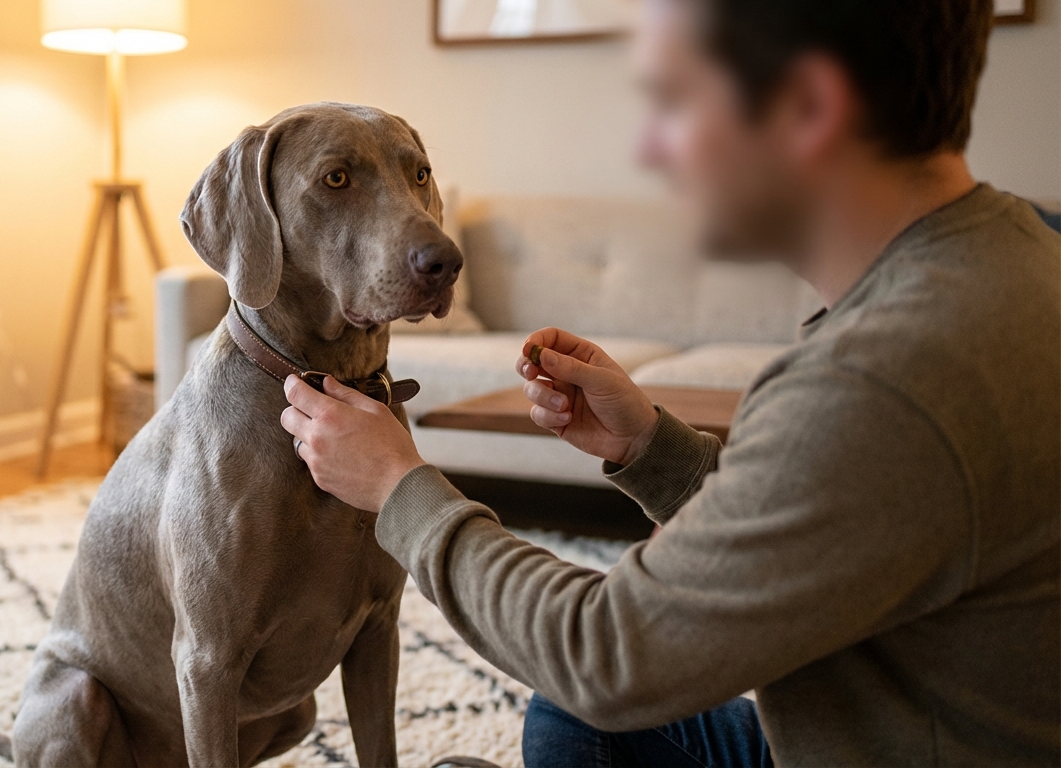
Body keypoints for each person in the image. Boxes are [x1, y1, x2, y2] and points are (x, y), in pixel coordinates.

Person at [278, 0, 1061, 765]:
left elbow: (608, 660)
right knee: (574, 722)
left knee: (584, 694)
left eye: (673, 102)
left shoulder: (884, 378)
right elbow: (837, 519)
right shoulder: (1015, 257)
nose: (652, 149)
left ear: (810, 105)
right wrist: (651, 446)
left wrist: (400, 485)